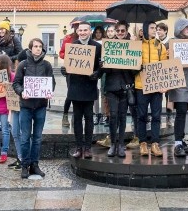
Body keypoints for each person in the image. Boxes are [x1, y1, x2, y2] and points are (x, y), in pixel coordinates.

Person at [13, 37, 55, 179]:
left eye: (40, 46)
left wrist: (50, 92)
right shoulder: (23, 65)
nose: (37, 48)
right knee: (25, 138)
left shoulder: (47, 65)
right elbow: (16, 83)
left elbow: (51, 82)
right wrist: (22, 92)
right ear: (30, 48)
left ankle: (35, 165)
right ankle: (25, 165)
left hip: (40, 106)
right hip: (26, 106)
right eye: (35, 46)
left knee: (37, 138)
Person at [64, 21, 102, 159]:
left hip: (89, 87)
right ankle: (79, 146)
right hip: (75, 87)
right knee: (77, 118)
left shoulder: (97, 46)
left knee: (89, 118)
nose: (83, 33)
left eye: (85, 30)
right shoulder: (72, 46)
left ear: (90, 31)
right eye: (80, 30)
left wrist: (97, 73)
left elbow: (101, 66)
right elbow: (68, 66)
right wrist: (65, 70)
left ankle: (88, 147)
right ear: (77, 31)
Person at [102, 21, 136, 158]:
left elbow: (136, 70)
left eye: (123, 31)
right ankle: (112, 144)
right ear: (115, 32)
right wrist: (103, 64)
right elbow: (104, 70)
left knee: (122, 117)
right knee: (113, 116)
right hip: (111, 87)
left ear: (127, 31)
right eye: (118, 31)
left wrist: (130, 61)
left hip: (125, 87)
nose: (120, 33)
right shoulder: (109, 46)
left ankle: (121, 144)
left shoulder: (132, 46)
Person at [136, 21, 169, 157]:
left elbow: (164, 66)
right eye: (151, 28)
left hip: (156, 87)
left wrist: (164, 85)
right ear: (145, 29)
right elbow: (132, 64)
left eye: (155, 28)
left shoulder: (160, 46)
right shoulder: (137, 46)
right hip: (140, 86)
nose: (154, 30)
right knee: (141, 116)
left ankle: (155, 143)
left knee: (156, 116)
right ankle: (142, 143)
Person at [167, 19, 188, 158]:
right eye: (186, 28)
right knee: (180, 112)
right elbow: (164, 61)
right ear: (180, 29)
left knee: (184, 112)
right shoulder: (171, 43)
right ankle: (178, 143)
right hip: (179, 83)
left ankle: (181, 139)